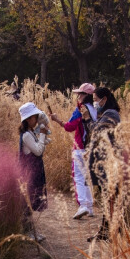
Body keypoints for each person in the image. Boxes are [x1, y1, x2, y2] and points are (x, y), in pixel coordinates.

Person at [49, 82, 97, 220]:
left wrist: (57, 120)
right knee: (87, 177)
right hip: (91, 148)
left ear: (85, 95)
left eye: (80, 94)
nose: (78, 96)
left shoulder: (81, 109)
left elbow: (70, 126)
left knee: (78, 177)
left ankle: (82, 205)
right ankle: (90, 206)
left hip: (80, 148)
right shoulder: (96, 110)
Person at [86, 87, 122, 242]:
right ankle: (105, 230)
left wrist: (88, 119)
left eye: (96, 99)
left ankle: (111, 231)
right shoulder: (105, 114)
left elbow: (98, 132)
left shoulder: (111, 114)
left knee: (109, 198)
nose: (95, 103)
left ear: (104, 99)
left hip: (109, 163)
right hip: (104, 162)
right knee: (107, 198)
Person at [17, 102, 49, 241]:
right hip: (29, 172)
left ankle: (31, 232)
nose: (37, 120)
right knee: (27, 201)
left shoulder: (30, 133)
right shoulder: (26, 135)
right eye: (35, 117)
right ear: (28, 119)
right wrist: (42, 135)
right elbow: (38, 150)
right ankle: (28, 232)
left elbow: (40, 145)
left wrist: (43, 136)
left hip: (33, 171)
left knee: (29, 200)